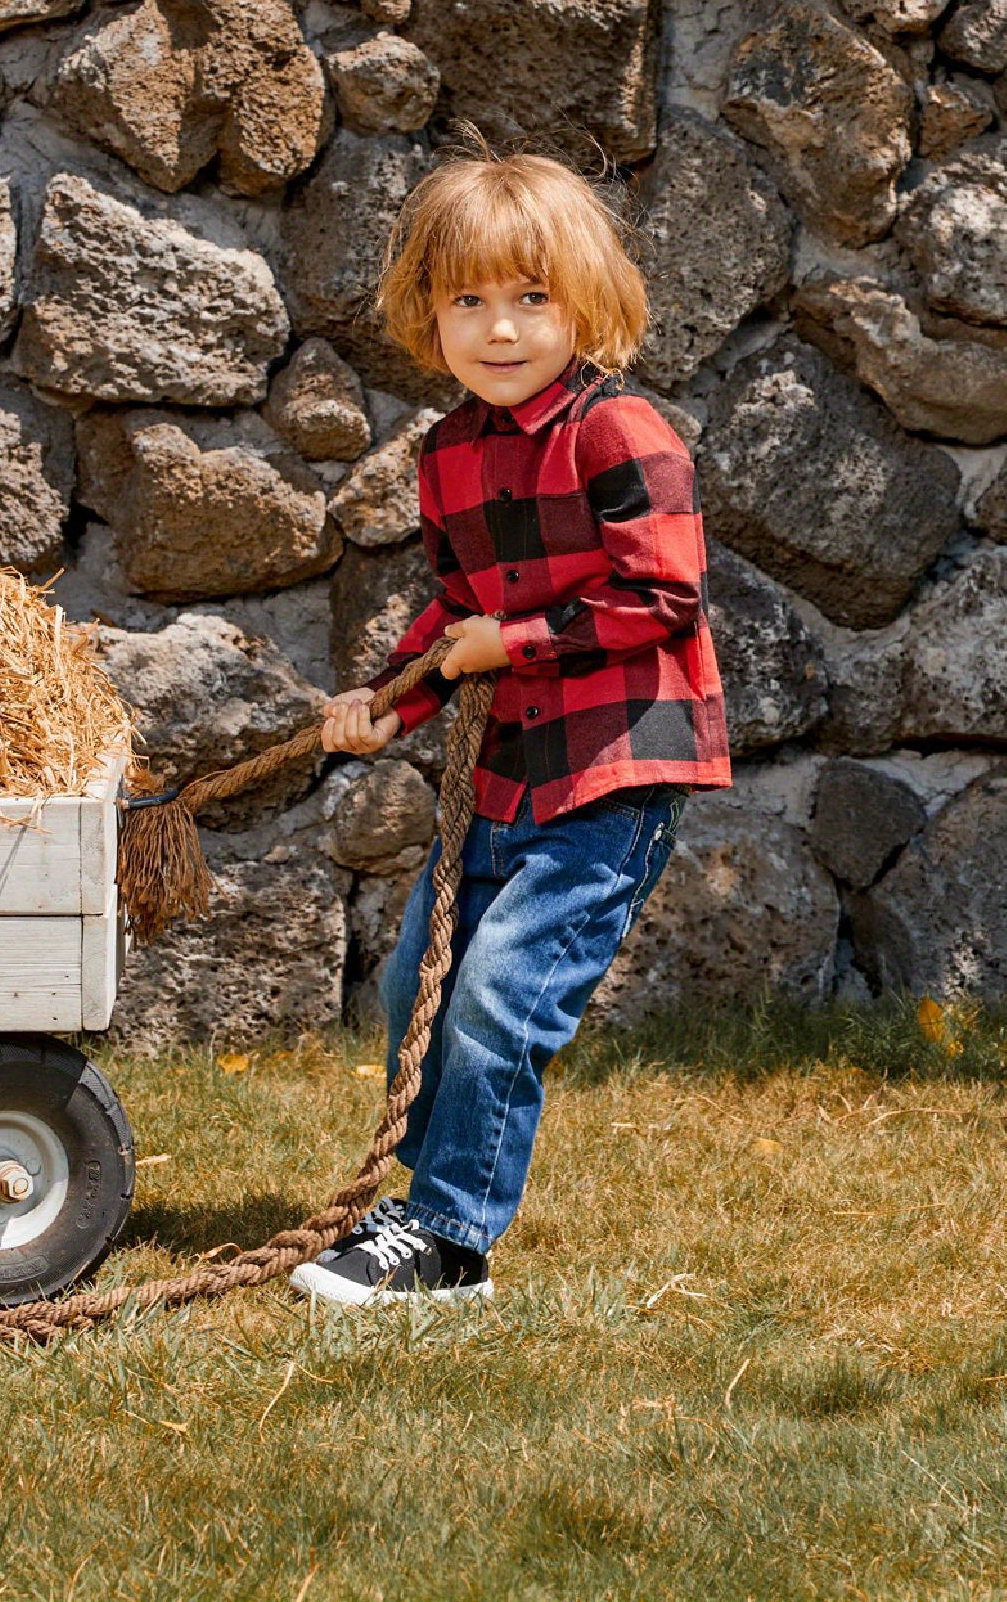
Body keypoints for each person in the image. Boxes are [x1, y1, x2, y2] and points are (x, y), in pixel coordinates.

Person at [290, 125, 731, 1306]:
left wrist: (515, 642)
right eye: (468, 300)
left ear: (585, 304)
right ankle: (417, 1209)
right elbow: (454, 609)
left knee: (501, 994)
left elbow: (662, 593)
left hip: (610, 772)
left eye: (532, 299)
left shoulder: (621, 433)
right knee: (413, 990)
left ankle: (448, 1241)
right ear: (428, 317)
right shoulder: (447, 453)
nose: (499, 328)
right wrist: (389, 699)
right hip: (498, 773)